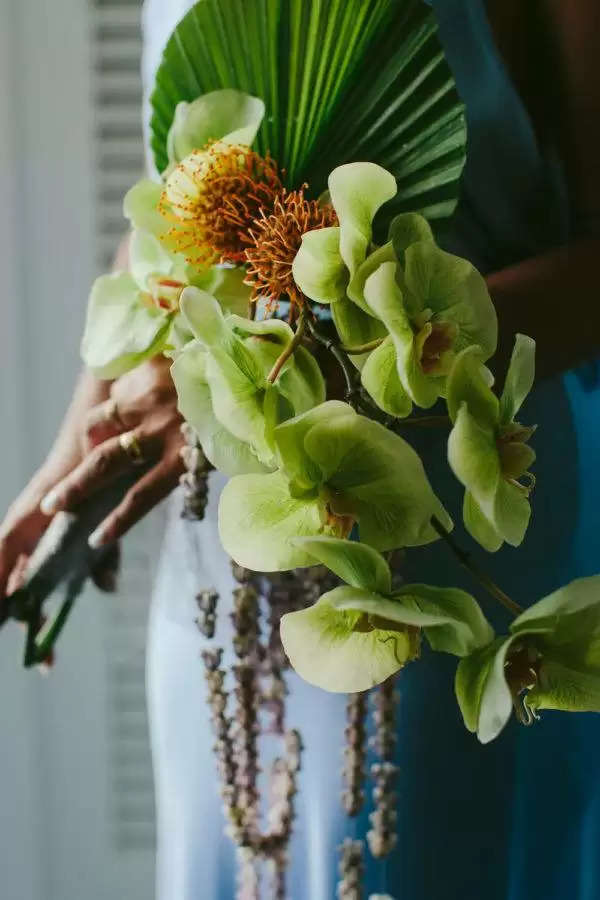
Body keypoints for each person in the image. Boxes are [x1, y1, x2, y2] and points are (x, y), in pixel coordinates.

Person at [1, 0, 599, 897]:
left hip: (439, 532)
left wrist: (282, 371)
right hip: (216, 531)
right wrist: (80, 448)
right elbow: (176, 208)